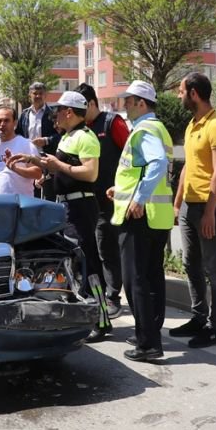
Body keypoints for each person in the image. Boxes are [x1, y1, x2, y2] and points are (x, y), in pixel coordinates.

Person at [10, 91, 100, 300]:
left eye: (58, 111)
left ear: (69, 112)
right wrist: (32, 160)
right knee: (72, 260)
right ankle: (77, 305)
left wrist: (57, 165)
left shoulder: (85, 137)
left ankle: (100, 315)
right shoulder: (67, 137)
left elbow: (90, 172)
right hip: (67, 206)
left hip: (81, 206)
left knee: (87, 260)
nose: (54, 115)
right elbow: (58, 167)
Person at [107, 81, 173, 361]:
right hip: (156, 218)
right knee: (153, 278)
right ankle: (149, 333)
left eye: (129, 101)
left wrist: (139, 198)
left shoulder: (145, 130)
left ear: (142, 103)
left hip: (140, 217)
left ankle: (147, 343)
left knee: (137, 281)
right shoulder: (158, 128)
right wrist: (122, 191)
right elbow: (143, 169)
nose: (124, 105)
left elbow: (157, 163)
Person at [172, 72, 216, 348]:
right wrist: (177, 202)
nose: (179, 95)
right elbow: (188, 166)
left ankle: (215, 327)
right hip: (189, 205)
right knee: (190, 264)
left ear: (194, 93)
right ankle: (198, 317)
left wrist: (209, 212)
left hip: (212, 207)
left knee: (212, 267)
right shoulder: (192, 124)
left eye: (181, 91)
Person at [77, 83, 130, 322]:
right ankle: (98, 294)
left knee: (106, 247)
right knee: (94, 248)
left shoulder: (112, 122)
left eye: (80, 107)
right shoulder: (82, 129)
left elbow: (130, 154)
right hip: (88, 201)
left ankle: (112, 297)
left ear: (90, 104)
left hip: (111, 199)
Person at [15, 81, 61, 200]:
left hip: (46, 159)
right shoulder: (25, 114)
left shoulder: (52, 113)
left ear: (45, 95)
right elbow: (18, 135)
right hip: (28, 159)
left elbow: (61, 135)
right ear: (30, 95)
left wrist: (46, 140)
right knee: (30, 192)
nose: (37, 96)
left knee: (48, 194)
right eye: (35, 93)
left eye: (40, 93)